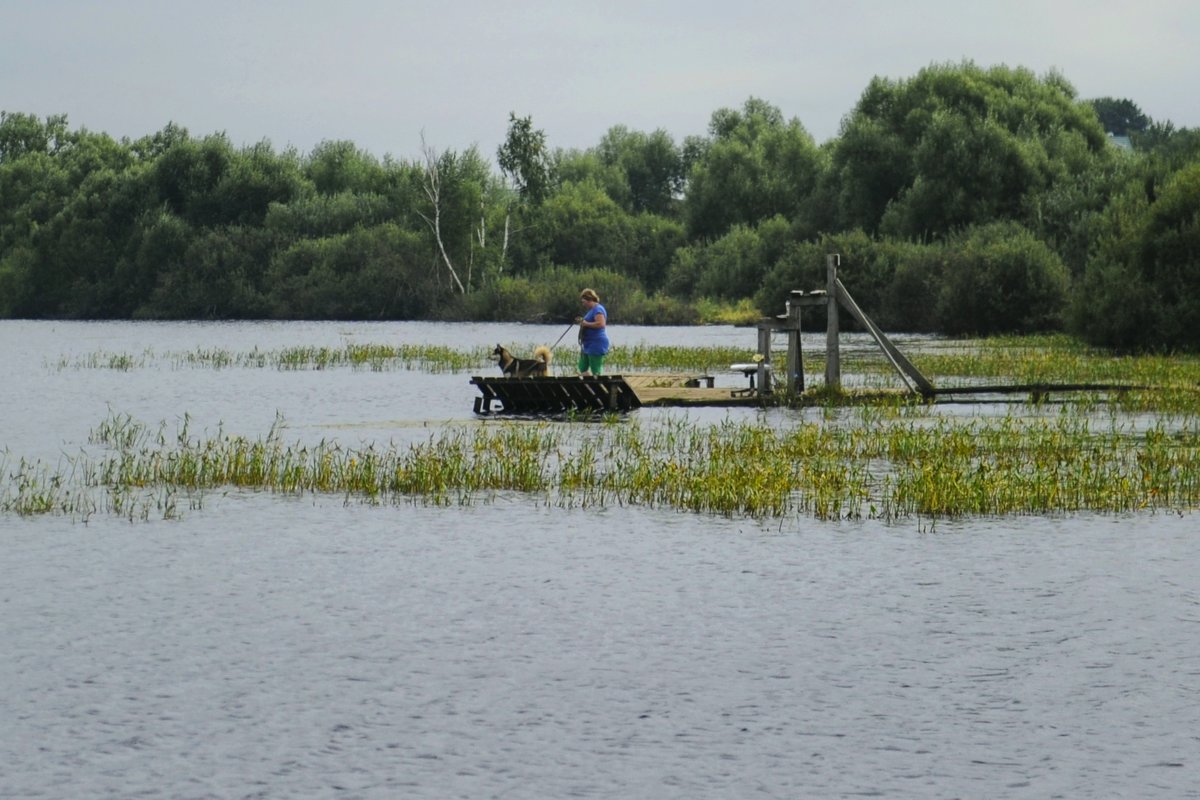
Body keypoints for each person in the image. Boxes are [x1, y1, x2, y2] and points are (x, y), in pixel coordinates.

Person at [574, 288, 610, 376]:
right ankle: (586, 384)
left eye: (584, 302)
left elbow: (601, 324)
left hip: (596, 343)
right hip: (588, 344)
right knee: (582, 367)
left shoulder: (598, 309)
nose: (583, 304)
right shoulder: (591, 311)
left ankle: (598, 386)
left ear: (589, 299)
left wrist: (586, 323)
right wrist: (582, 322)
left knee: (596, 370)